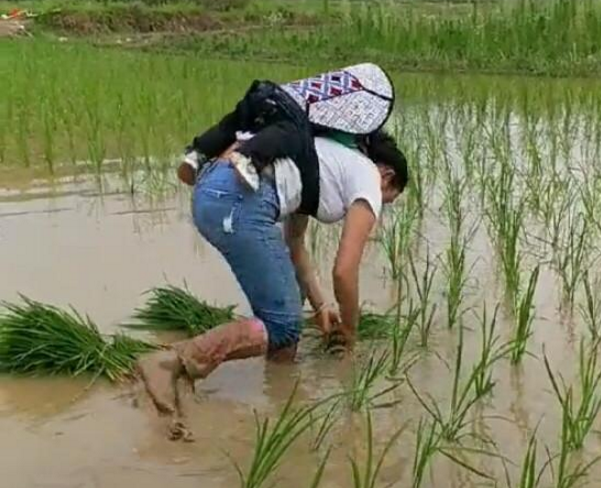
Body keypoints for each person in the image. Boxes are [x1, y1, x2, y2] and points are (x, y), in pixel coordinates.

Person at [138, 127, 409, 434]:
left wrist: (321, 307)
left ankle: (281, 389)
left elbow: (295, 246)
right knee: (284, 325)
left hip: (215, 189)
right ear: (387, 176)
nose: (380, 205)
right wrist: (350, 332)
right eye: (388, 199)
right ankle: (172, 361)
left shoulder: (320, 158)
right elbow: (344, 271)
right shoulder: (368, 176)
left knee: (288, 306)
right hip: (237, 203)